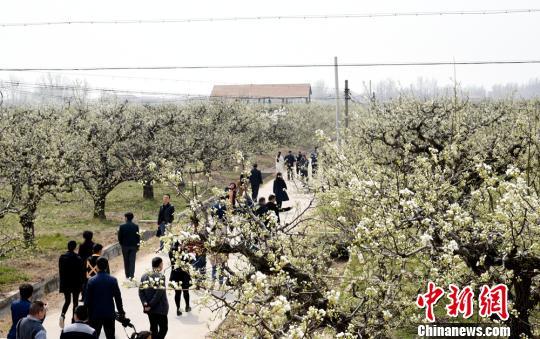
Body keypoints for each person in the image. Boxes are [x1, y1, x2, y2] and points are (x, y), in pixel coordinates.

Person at [85, 257, 125, 339]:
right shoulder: (113, 280)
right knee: (110, 336)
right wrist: (121, 312)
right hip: (109, 313)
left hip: (95, 314)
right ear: (107, 266)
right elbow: (118, 298)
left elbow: (87, 300)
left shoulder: (91, 281)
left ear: (96, 266)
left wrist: (86, 315)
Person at [139, 257, 168, 339]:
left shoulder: (144, 276)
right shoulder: (161, 276)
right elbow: (159, 293)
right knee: (163, 329)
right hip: (160, 309)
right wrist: (150, 305)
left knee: (153, 328)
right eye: (162, 264)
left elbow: (141, 292)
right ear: (160, 265)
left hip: (149, 309)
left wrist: (145, 304)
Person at [59, 240, 84, 328]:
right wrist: (81, 286)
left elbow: (61, 272)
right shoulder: (78, 258)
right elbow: (81, 272)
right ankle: (74, 320)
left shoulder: (62, 257)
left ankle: (62, 315)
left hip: (66, 283)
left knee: (67, 301)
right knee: (75, 302)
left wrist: (61, 285)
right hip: (76, 283)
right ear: (75, 247)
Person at [169, 241, 191, 316]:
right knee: (186, 291)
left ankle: (178, 309)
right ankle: (187, 306)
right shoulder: (184, 251)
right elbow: (188, 261)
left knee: (177, 293)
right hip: (184, 274)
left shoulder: (171, 251)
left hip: (175, 274)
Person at [118, 212, 140, 279]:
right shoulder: (136, 226)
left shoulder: (122, 226)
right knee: (132, 261)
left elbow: (120, 237)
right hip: (133, 246)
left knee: (126, 260)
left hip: (125, 246)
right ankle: (131, 275)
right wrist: (138, 245)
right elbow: (138, 237)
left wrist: (121, 243)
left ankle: (127, 275)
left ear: (126, 218)